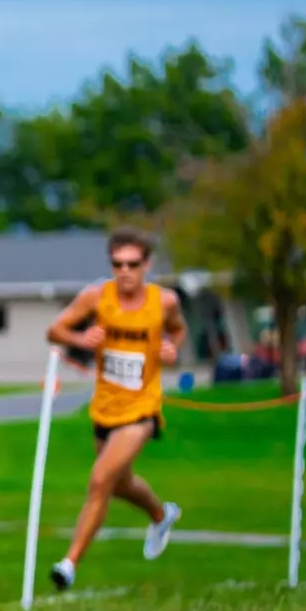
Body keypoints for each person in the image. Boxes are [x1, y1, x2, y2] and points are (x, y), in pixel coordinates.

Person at [45, 228, 185, 591]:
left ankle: (69, 563)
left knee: (100, 480)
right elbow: (55, 330)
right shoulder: (96, 298)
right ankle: (160, 514)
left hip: (142, 408)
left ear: (147, 265)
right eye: (117, 264)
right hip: (105, 408)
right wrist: (80, 338)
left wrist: (171, 349)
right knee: (120, 484)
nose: (125, 271)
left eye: (133, 264)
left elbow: (178, 332)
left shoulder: (164, 302)